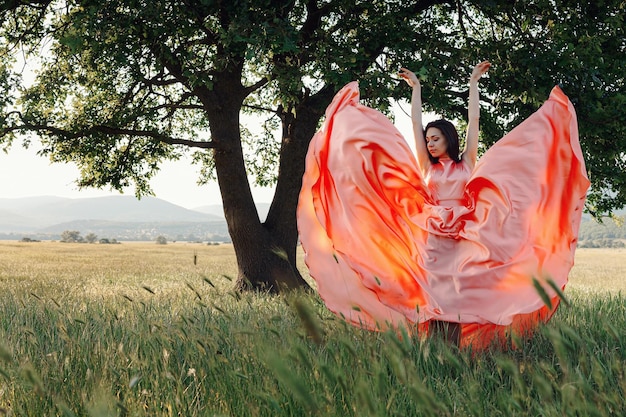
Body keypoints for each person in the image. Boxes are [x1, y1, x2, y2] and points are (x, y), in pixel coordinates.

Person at [297, 62, 590, 350]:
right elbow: (415, 124)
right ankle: (434, 351)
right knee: (435, 295)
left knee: (459, 295)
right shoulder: (427, 167)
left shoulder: (467, 162)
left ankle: (454, 350)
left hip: (463, 234)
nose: (431, 144)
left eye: (435, 139)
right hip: (433, 235)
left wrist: (474, 84)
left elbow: (473, 122)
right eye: (428, 140)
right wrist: (416, 90)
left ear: (449, 139)